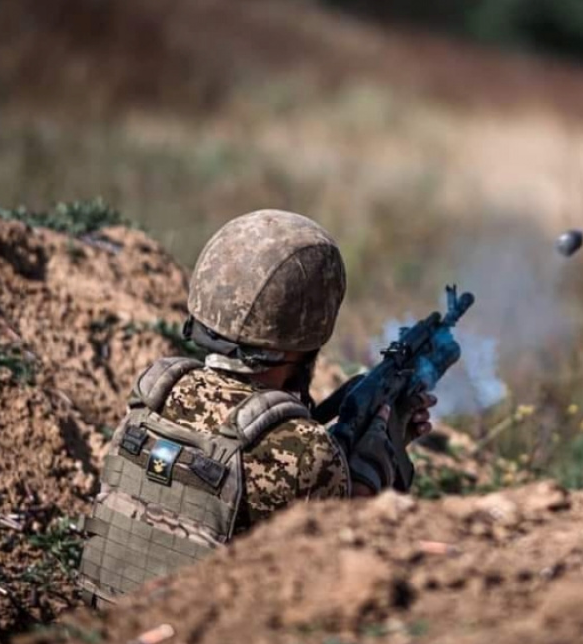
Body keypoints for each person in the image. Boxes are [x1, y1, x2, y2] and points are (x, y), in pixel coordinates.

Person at [77, 210, 434, 605]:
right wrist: (380, 457)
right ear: (310, 328)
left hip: (101, 625)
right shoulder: (305, 449)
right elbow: (342, 567)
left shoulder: (157, 391)